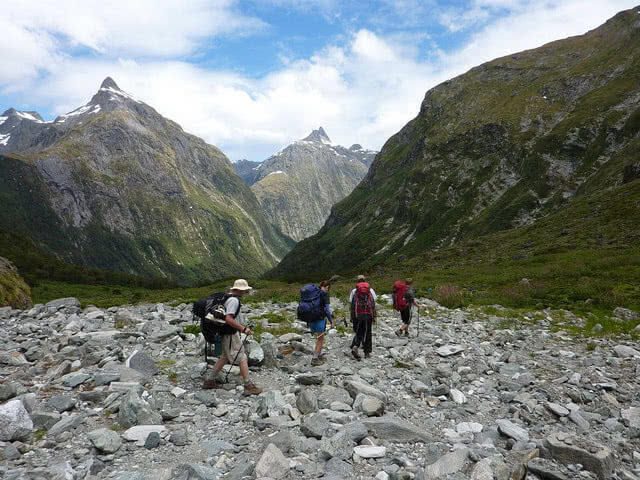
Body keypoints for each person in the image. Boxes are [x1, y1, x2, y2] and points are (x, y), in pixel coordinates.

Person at [203, 279, 262, 396]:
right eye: (245, 290)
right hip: (230, 333)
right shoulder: (234, 300)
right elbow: (229, 319)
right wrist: (243, 329)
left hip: (224, 332)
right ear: (241, 290)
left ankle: (209, 380)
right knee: (242, 357)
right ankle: (248, 385)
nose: (246, 293)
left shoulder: (226, 297)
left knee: (224, 357)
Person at [349, 275, 377, 360]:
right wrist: (374, 316)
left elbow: (351, 303)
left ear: (357, 281)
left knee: (359, 331)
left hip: (358, 315)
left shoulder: (354, 291)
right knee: (368, 332)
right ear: (365, 280)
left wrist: (352, 316)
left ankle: (355, 346)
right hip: (368, 314)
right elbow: (374, 302)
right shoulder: (370, 290)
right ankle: (367, 352)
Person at [310, 280, 334, 366]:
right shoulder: (325, 294)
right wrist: (331, 321)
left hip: (311, 319)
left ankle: (318, 354)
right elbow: (327, 310)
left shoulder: (313, 293)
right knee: (320, 339)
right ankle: (315, 359)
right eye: (328, 288)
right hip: (320, 319)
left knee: (318, 337)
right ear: (327, 287)